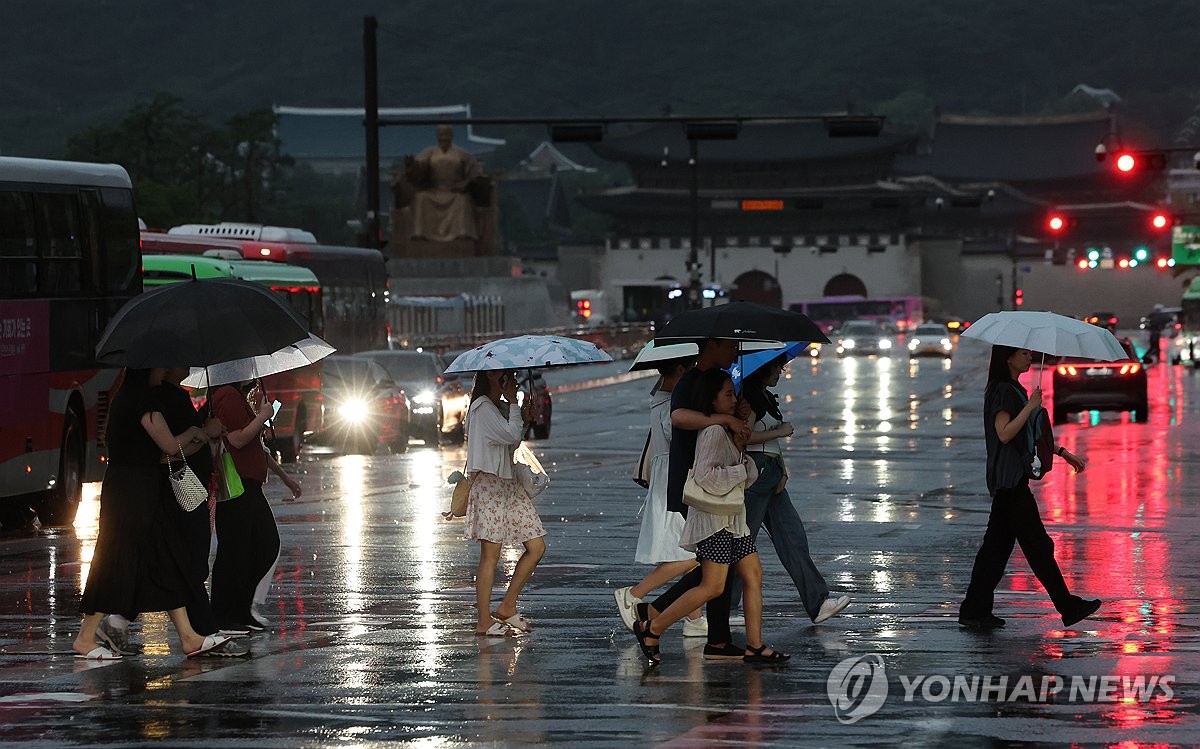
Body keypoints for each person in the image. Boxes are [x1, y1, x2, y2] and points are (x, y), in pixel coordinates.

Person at [73, 368, 238, 659]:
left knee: (165, 558)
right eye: (160, 365)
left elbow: (158, 454)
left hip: (138, 490)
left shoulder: (126, 399)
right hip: (132, 495)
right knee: (116, 560)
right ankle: (86, 637)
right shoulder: (142, 402)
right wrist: (197, 432)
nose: (164, 370)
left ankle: (189, 637)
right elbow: (169, 445)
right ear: (147, 369)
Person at [632, 368, 789, 665]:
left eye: (734, 393)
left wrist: (741, 448)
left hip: (733, 519)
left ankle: (755, 646)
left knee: (753, 574)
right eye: (727, 394)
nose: (734, 399)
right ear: (711, 399)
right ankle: (653, 627)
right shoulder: (714, 432)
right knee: (713, 586)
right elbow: (706, 477)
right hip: (714, 520)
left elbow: (745, 475)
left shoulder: (728, 430)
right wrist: (741, 468)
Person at [958, 345, 1101, 629]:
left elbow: (1026, 436)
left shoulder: (1013, 389)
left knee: (994, 552)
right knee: (1037, 546)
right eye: (1023, 354)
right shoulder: (1003, 391)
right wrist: (1030, 407)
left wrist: (1061, 452)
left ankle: (974, 610)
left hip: (1009, 480)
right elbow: (1005, 432)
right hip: (1010, 481)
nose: (1030, 358)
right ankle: (1067, 605)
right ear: (1008, 358)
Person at [636, 338, 753, 660]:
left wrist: (739, 412)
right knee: (716, 567)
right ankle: (658, 619)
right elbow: (679, 417)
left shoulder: (711, 380)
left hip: (711, 484)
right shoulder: (692, 379)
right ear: (713, 345)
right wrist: (723, 419)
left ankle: (711, 636)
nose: (733, 351)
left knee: (716, 565)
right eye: (729, 345)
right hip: (699, 484)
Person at [732, 355, 851, 624]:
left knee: (792, 536)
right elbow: (744, 438)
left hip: (771, 474)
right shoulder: (749, 400)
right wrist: (781, 432)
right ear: (764, 370)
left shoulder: (765, 397)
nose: (781, 372)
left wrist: (782, 468)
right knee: (742, 543)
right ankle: (724, 609)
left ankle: (818, 603)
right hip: (756, 474)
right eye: (778, 367)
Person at [612, 357, 707, 638]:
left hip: (668, 475)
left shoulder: (661, 396)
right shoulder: (669, 401)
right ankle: (633, 594)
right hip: (674, 478)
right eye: (689, 370)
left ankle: (694, 618)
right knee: (696, 554)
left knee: (686, 549)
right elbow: (678, 436)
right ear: (679, 370)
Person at [464, 369, 546, 636]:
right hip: (489, 484)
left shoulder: (497, 407)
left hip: (508, 484)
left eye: (512, 376)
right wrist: (514, 404)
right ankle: (484, 621)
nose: (512, 380)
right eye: (506, 376)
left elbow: (510, 444)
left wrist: (522, 416)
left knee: (536, 546)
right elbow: (509, 436)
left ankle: (508, 606)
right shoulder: (482, 408)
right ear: (491, 377)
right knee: (490, 556)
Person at [210, 379, 282, 632]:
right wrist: (263, 416)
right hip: (237, 483)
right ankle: (223, 615)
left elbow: (257, 446)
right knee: (236, 551)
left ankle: (239, 609)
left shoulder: (239, 396)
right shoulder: (227, 395)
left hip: (250, 484)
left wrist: (286, 478)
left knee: (262, 545)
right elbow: (238, 439)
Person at [405, 123, 483, 241]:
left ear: (451, 135)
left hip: (455, 191)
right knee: (421, 198)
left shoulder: (462, 154)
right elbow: (420, 167)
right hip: (434, 190)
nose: (443, 137)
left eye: (446, 134)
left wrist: (465, 183)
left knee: (462, 200)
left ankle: (462, 233)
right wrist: (412, 164)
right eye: (441, 134)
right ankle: (420, 233)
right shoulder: (429, 152)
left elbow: (474, 172)